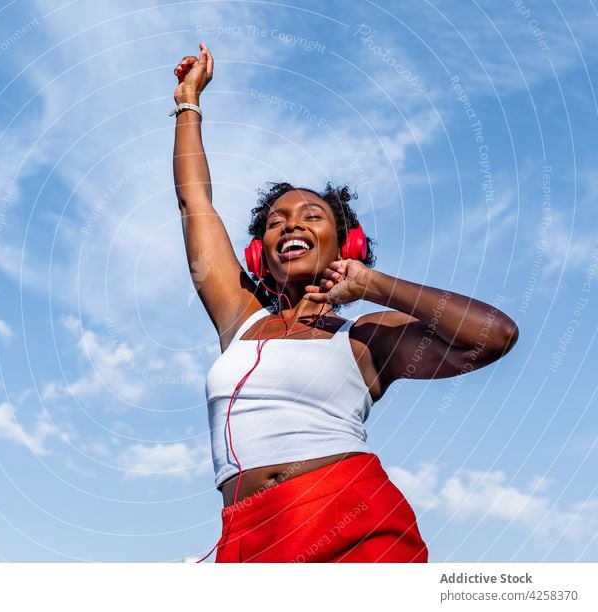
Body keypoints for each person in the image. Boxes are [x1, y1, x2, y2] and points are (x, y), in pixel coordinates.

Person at [172, 43, 519, 563]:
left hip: (351, 522)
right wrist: (187, 102)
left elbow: (496, 335)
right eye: (275, 221)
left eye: (312, 216)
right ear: (258, 255)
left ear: (346, 244)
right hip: (247, 537)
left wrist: (372, 284)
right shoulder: (240, 318)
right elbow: (194, 201)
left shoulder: (364, 338)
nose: (291, 223)